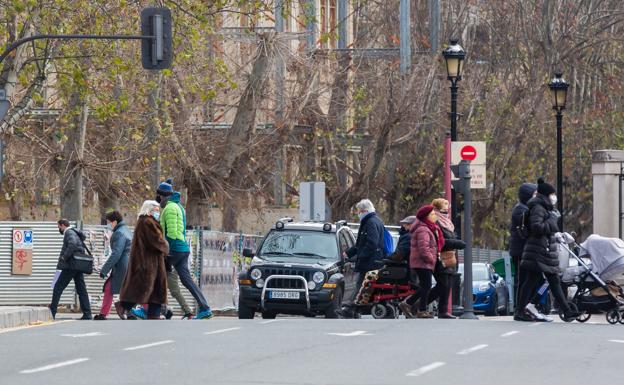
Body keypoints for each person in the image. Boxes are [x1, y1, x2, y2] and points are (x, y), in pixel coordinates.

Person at [515, 178, 580, 322]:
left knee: (542, 280)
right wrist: (552, 220)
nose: (554, 197)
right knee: (550, 280)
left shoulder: (542, 207)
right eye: (552, 194)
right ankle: (565, 310)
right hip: (538, 250)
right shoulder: (538, 207)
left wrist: (551, 220)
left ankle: (522, 310)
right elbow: (537, 227)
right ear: (546, 195)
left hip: (541, 250)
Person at [157, 179, 213, 320]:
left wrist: (167, 250)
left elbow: (172, 232)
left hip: (174, 249)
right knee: (186, 281)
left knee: (156, 274)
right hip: (183, 249)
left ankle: (151, 309)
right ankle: (205, 308)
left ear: (163, 196)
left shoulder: (170, 208)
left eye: (159, 197)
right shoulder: (179, 206)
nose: (158, 201)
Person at [117, 201, 169, 320]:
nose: (158, 212)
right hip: (147, 261)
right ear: (149, 209)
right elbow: (156, 241)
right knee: (143, 287)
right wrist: (166, 246)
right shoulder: (147, 222)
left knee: (155, 288)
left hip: (151, 260)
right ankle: (123, 305)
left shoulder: (146, 221)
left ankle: (154, 314)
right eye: (155, 210)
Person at [340, 199, 386, 318]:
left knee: (361, 286)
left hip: (370, 262)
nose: (358, 214)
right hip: (372, 261)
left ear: (364, 211)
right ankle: (354, 310)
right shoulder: (372, 221)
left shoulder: (370, 222)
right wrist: (349, 253)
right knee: (364, 287)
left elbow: (372, 243)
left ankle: (350, 309)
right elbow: (360, 244)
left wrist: (360, 256)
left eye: (359, 211)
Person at [509, 183, 547, 320]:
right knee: (523, 280)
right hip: (521, 251)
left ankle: (528, 307)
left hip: (528, 251)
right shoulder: (521, 209)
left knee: (535, 279)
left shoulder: (525, 208)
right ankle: (520, 309)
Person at [400, 205, 445, 319]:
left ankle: (412, 305)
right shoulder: (423, 229)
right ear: (426, 216)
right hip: (422, 262)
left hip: (424, 262)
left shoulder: (429, 228)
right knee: (426, 286)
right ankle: (417, 308)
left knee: (425, 286)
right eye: (433, 214)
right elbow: (423, 248)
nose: (435, 216)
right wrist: (431, 259)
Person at [426, 198, 465, 319]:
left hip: (449, 256)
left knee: (447, 284)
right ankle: (419, 303)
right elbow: (440, 240)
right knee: (442, 284)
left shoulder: (447, 222)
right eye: (444, 209)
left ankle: (443, 311)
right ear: (437, 209)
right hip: (439, 256)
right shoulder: (436, 221)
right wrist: (456, 243)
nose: (446, 211)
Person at [49, 219, 92, 320]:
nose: (58, 229)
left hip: (70, 265)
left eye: (58, 227)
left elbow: (72, 244)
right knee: (81, 289)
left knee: (58, 287)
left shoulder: (69, 232)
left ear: (63, 225)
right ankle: (87, 313)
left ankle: (52, 312)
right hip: (77, 265)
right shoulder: (75, 232)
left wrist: (64, 257)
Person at [95, 211, 131, 320]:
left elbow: (116, 253)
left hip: (122, 266)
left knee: (109, 288)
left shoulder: (119, 233)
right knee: (129, 289)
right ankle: (129, 312)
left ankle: (104, 313)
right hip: (129, 264)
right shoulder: (127, 230)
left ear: (114, 222)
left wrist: (104, 270)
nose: (108, 225)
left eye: (109, 222)